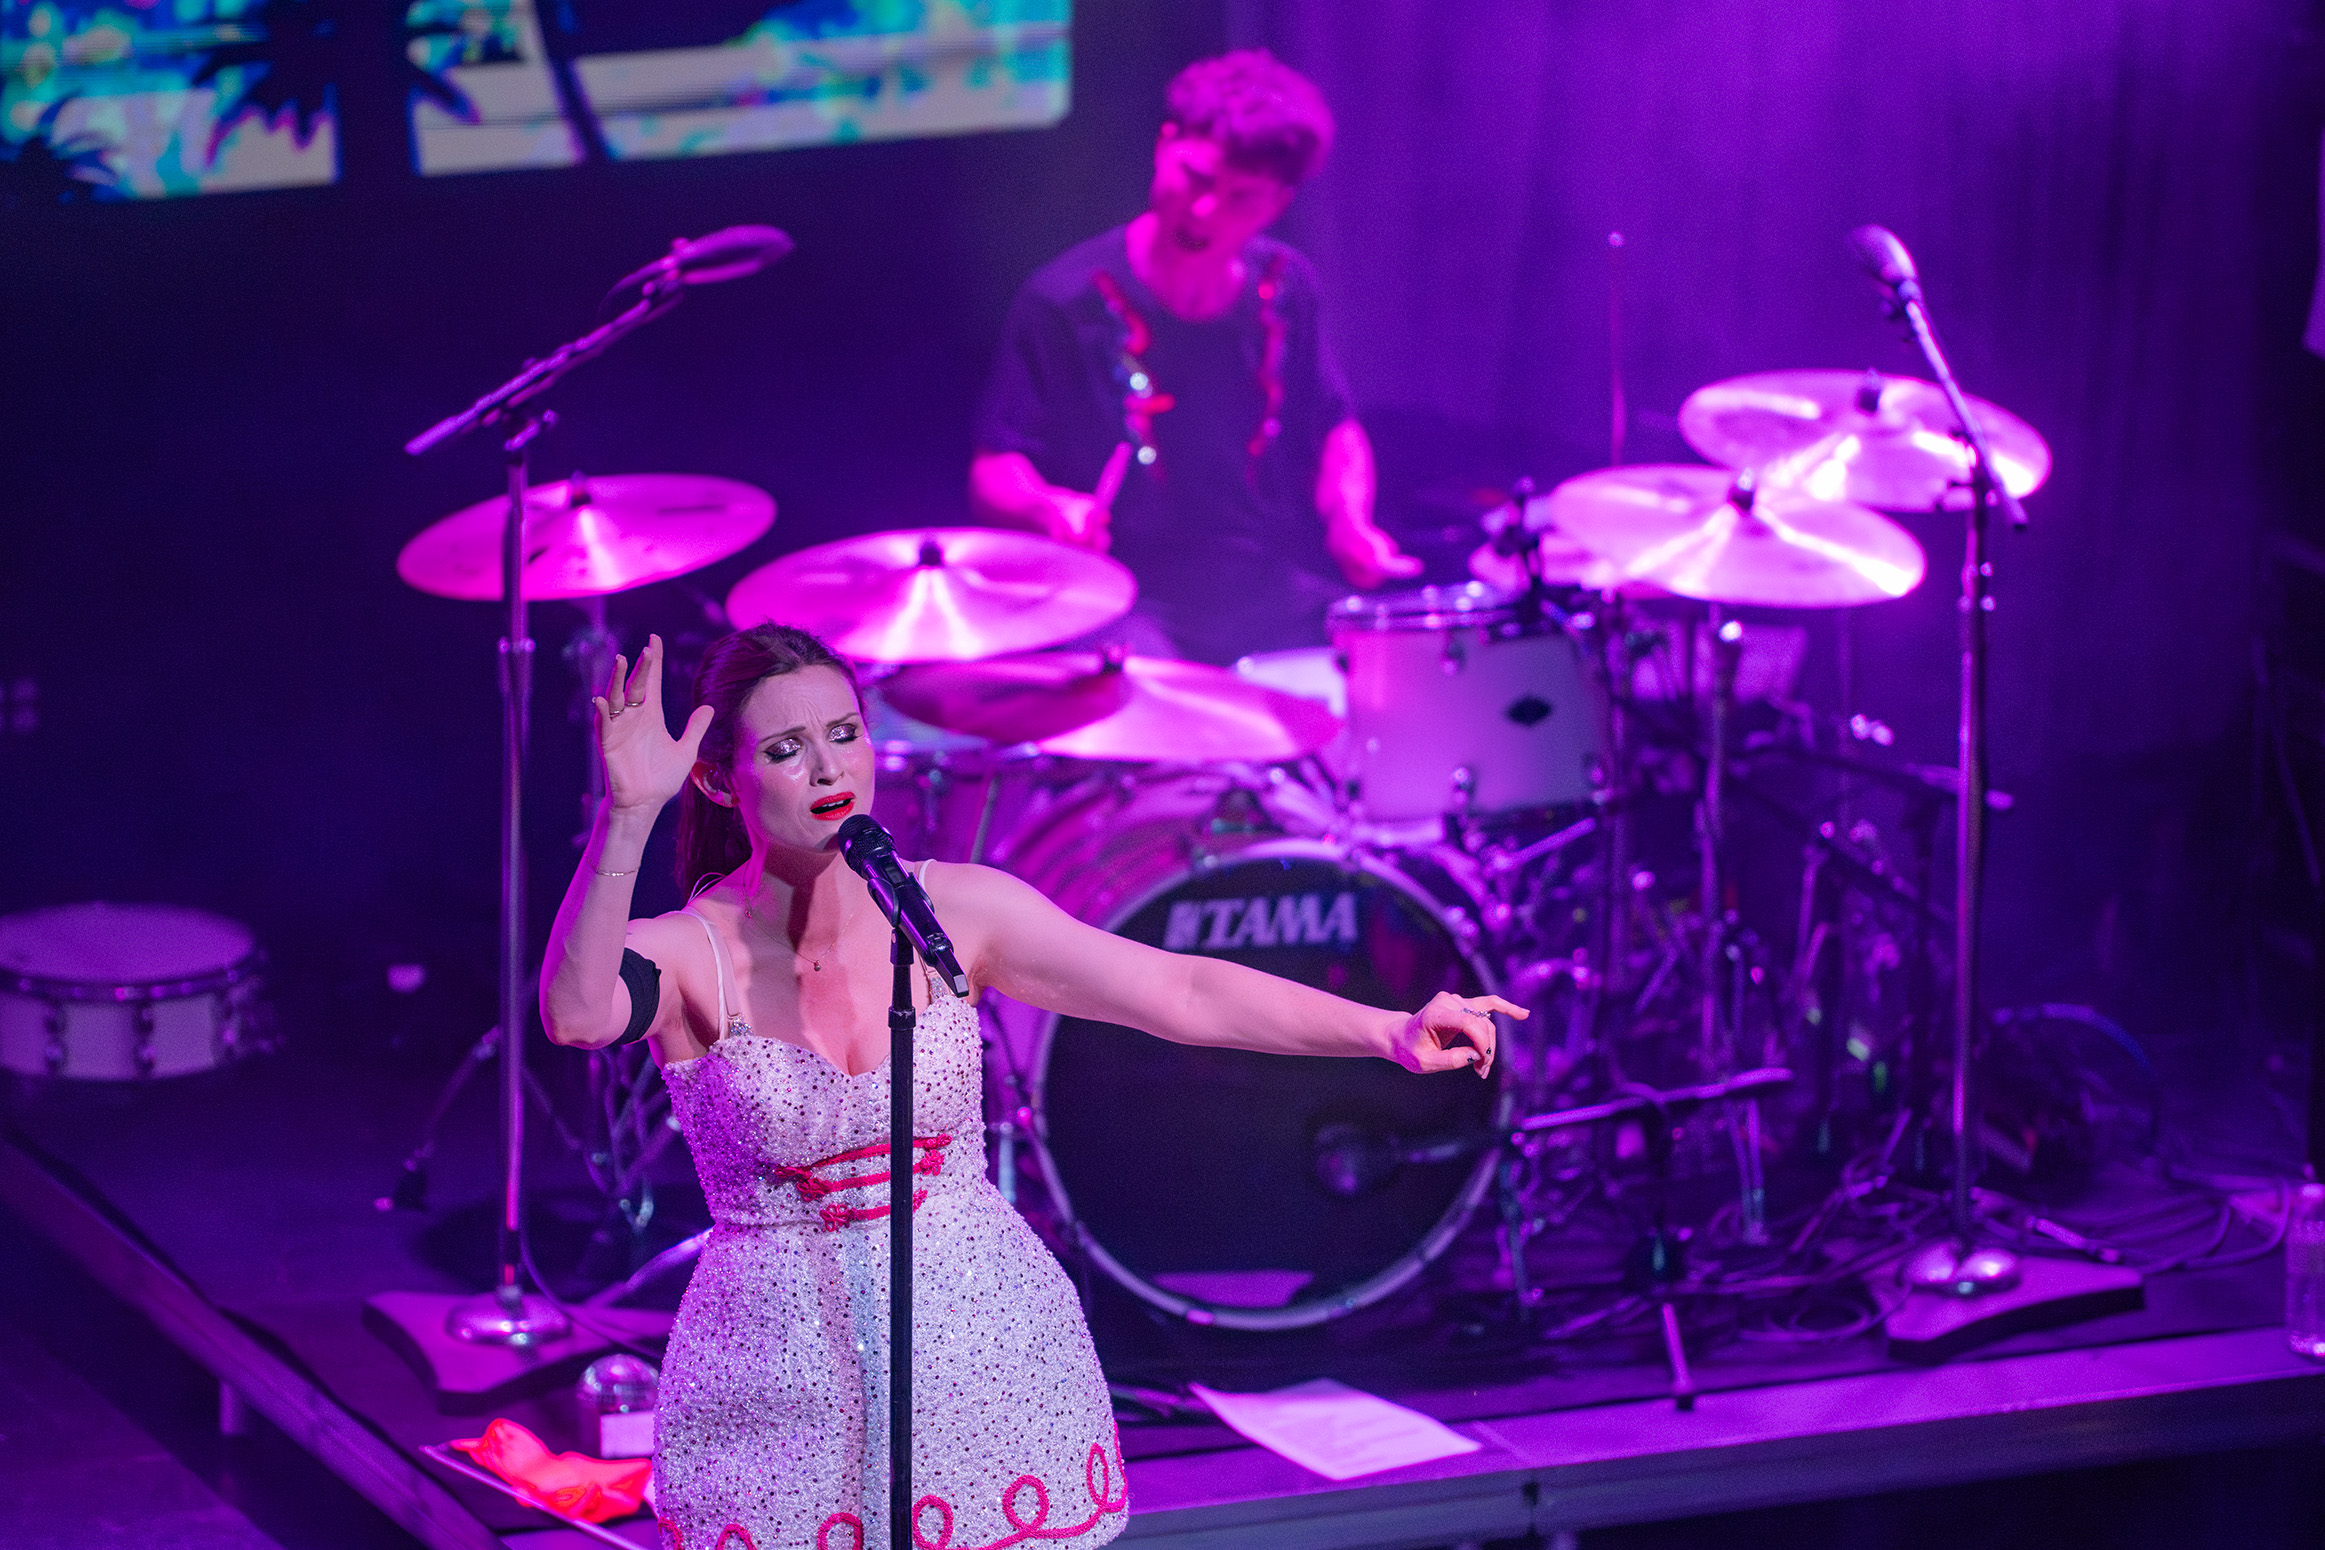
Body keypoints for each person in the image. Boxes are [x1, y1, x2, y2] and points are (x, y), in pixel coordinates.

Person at [541, 627, 1518, 1550]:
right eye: (790, 748)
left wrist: (1384, 1029)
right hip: (775, 1372)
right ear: (721, 778)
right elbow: (576, 1012)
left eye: (844, 734)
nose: (832, 768)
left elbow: (1177, 987)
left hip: (986, 1346)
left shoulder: (950, 907)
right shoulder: (688, 949)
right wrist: (626, 816)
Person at [969, 49, 1420, 667]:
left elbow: (1333, 427)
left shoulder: (1287, 288)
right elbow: (996, 465)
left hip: (1264, 588)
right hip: (1124, 601)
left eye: (1242, 198)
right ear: (1166, 143)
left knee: (1396, 675)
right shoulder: (1064, 300)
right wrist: (1048, 509)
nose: (1207, 211)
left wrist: (1350, 522)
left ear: (1277, 204)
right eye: (1197, 178)